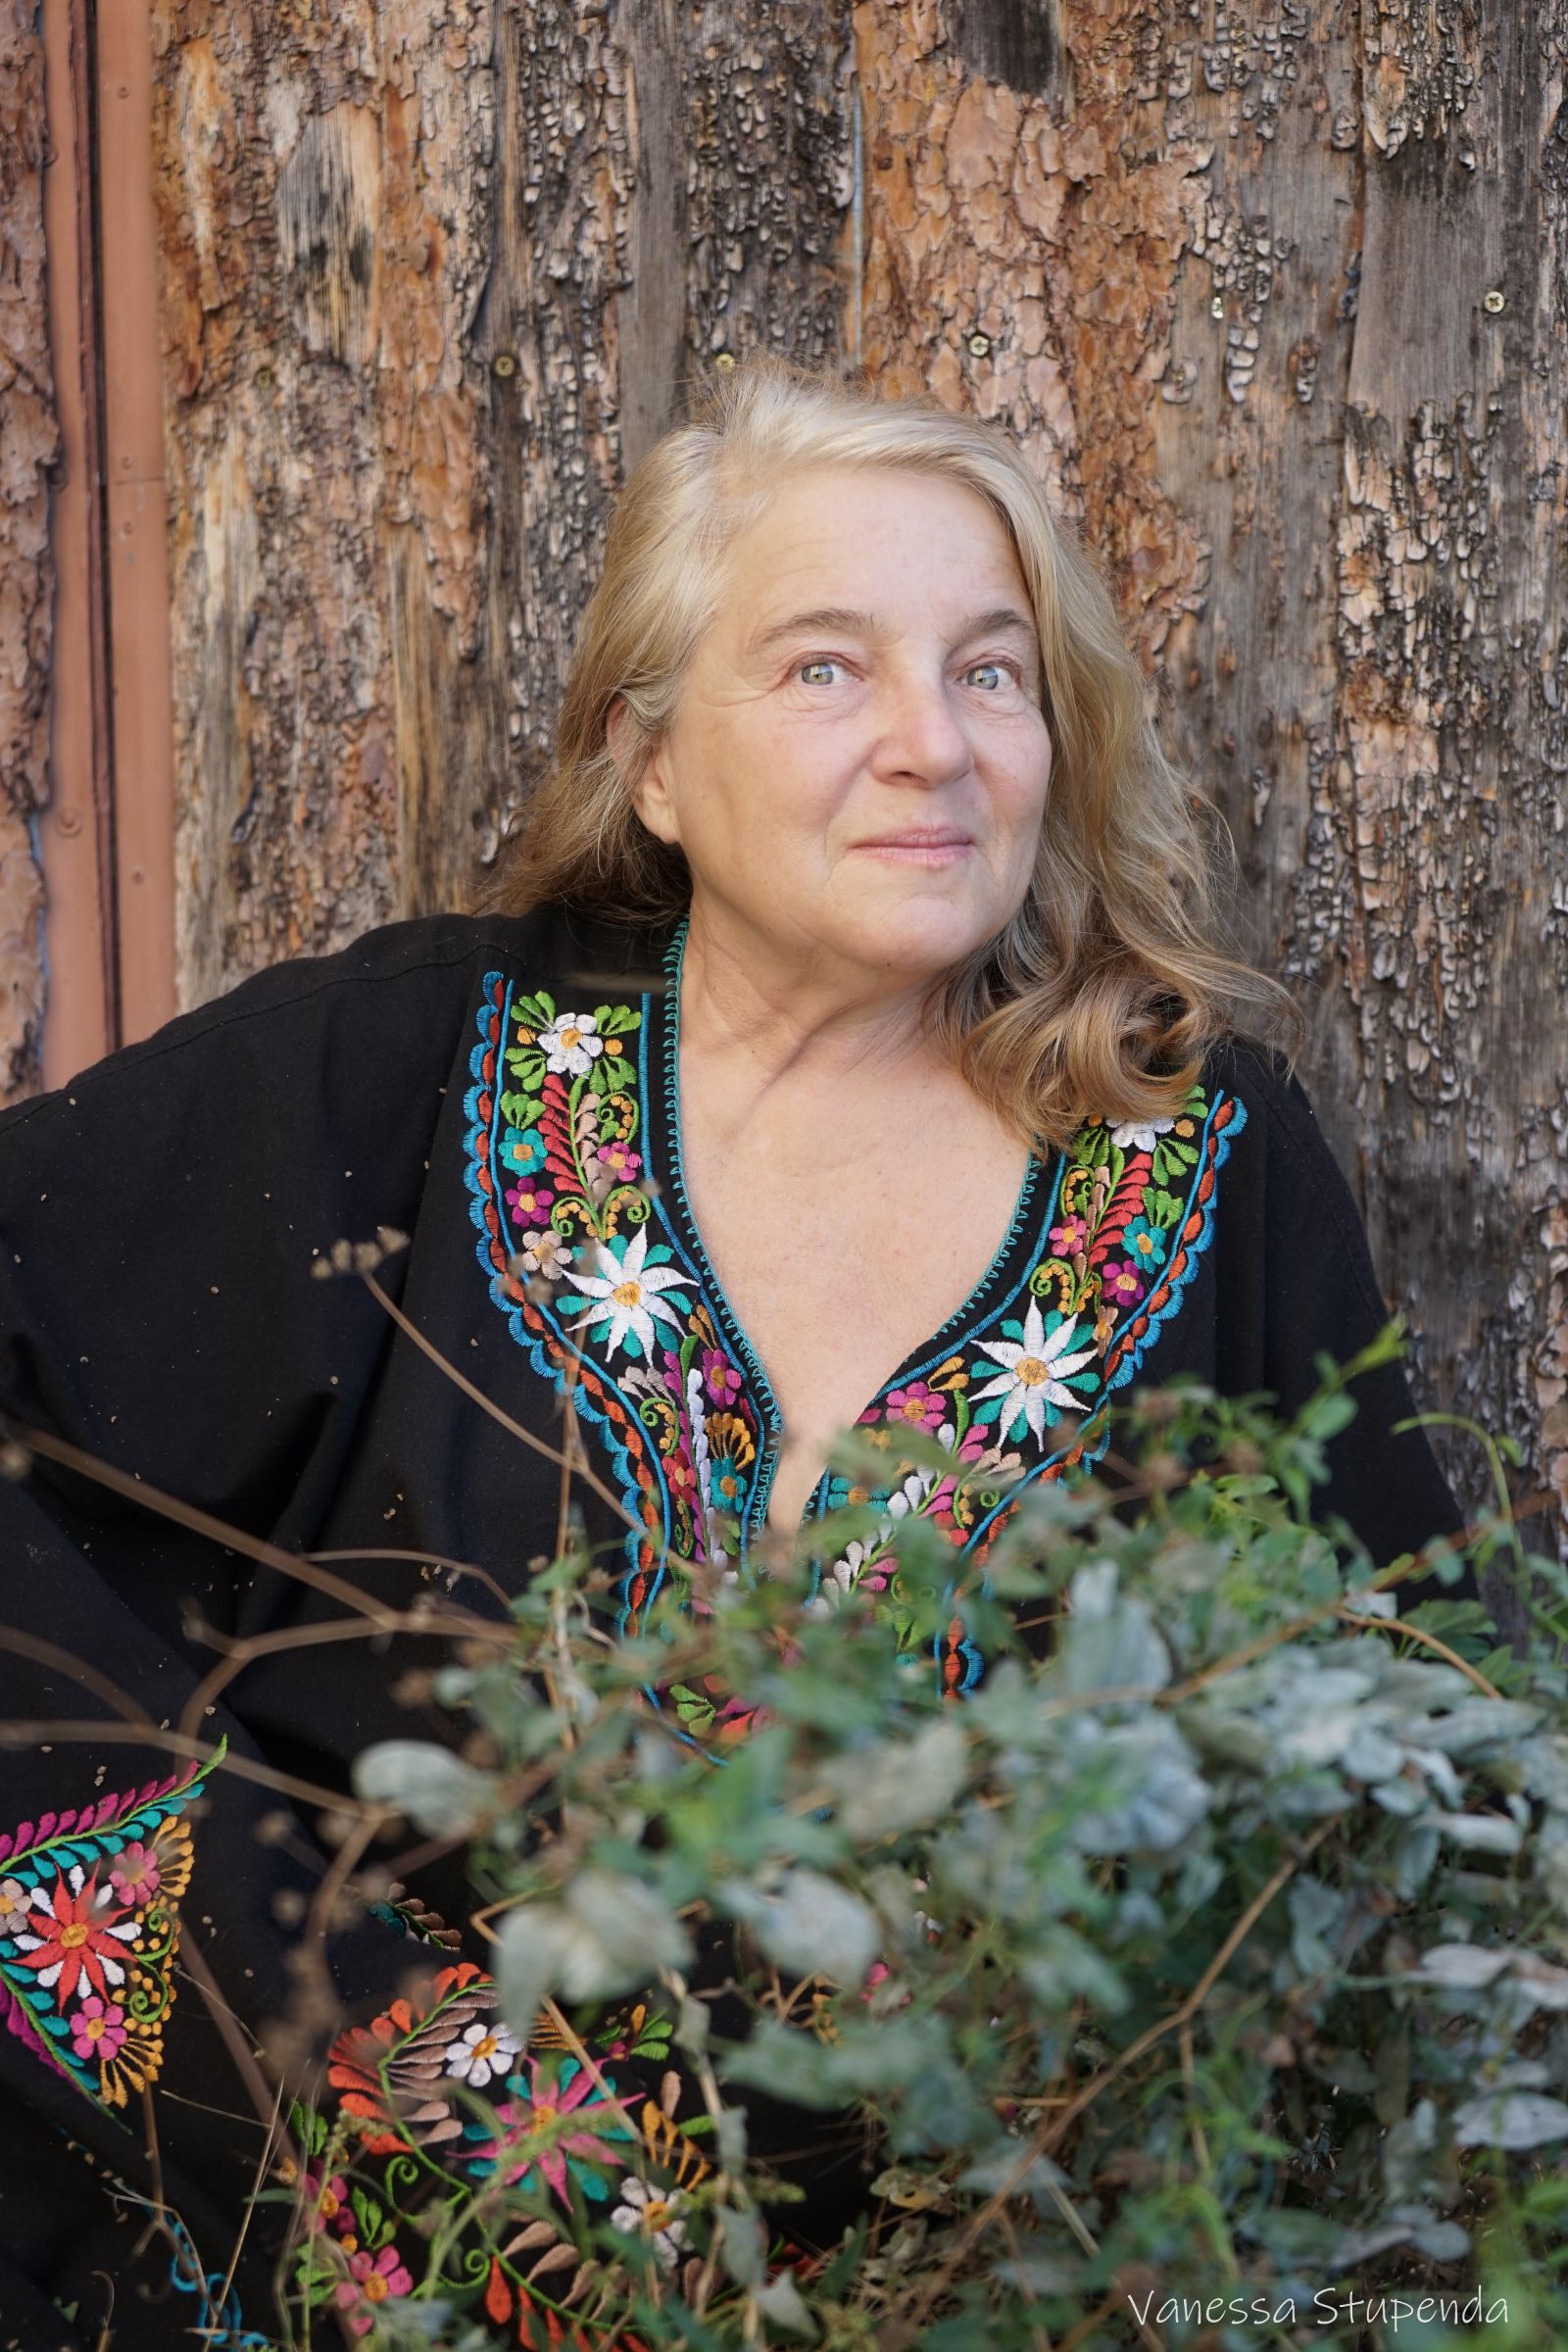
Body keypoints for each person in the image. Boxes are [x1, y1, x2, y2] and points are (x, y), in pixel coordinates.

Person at [0, 357, 1464, 2345]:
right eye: (822, 671)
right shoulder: (411, 1069)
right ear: (653, 762)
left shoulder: (1201, 1160)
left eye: (990, 673)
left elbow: (1400, 1741)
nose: (927, 748)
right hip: (344, 2273)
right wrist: (298, 1982)